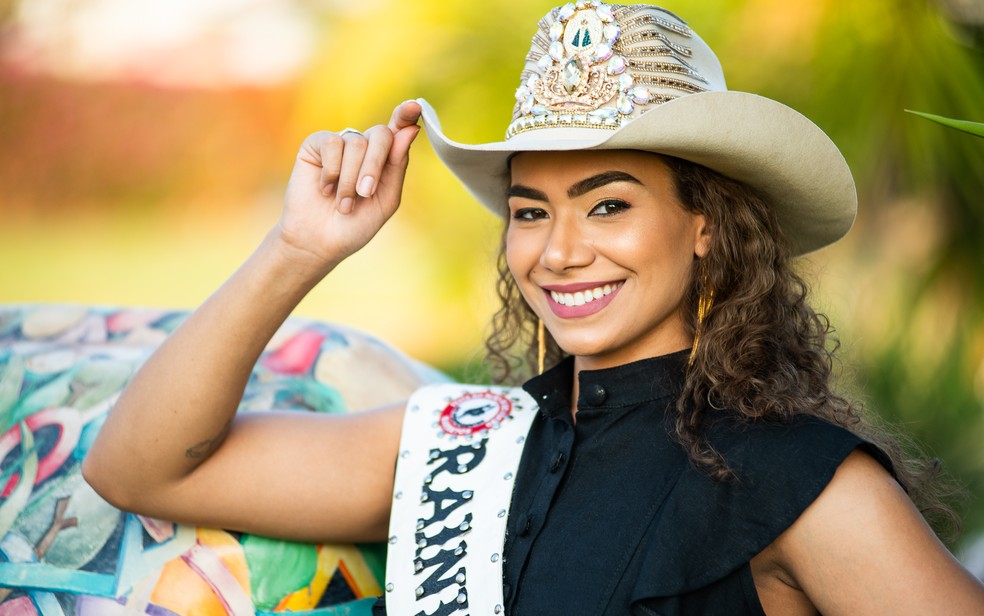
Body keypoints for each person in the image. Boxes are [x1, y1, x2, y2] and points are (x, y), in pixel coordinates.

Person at [82, 2, 984, 614]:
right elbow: (140, 470)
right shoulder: (474, 443)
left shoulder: (805, 482)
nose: (557, 251)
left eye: (608, 204)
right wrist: (298, 250)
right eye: (529, 211)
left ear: (707, 225)